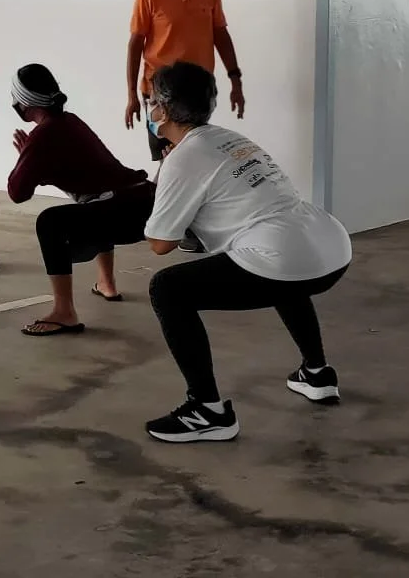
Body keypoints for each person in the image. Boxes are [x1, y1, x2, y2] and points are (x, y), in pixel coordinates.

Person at [138, 62, 351, 444]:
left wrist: (167, 179)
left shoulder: (183, 157)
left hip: (285, 253)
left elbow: (160, 244)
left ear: (164, 110)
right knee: (282, 272)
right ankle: (316, 373)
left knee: (167, 289)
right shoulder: (229, 138)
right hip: (330, 245)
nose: (150, 108)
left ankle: (207, 410)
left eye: (152, 101)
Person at [4, 64, 154, 336]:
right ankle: (106, 283)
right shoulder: (69, 121)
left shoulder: (43, 135)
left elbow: (17, 192)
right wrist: (32, 158)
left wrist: (25, 158)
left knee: (50, 222)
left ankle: (64, 312)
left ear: (24, 102)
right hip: (142, 199)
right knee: (95, 203)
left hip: (125, 212)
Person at [124, 0, 246, 161]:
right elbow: (135, 45)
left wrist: (235, 81)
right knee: (168, 161)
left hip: (198, 92)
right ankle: (159, 197)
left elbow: (221, 35)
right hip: (161, 93)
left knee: (196, 158)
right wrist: (131, 96)